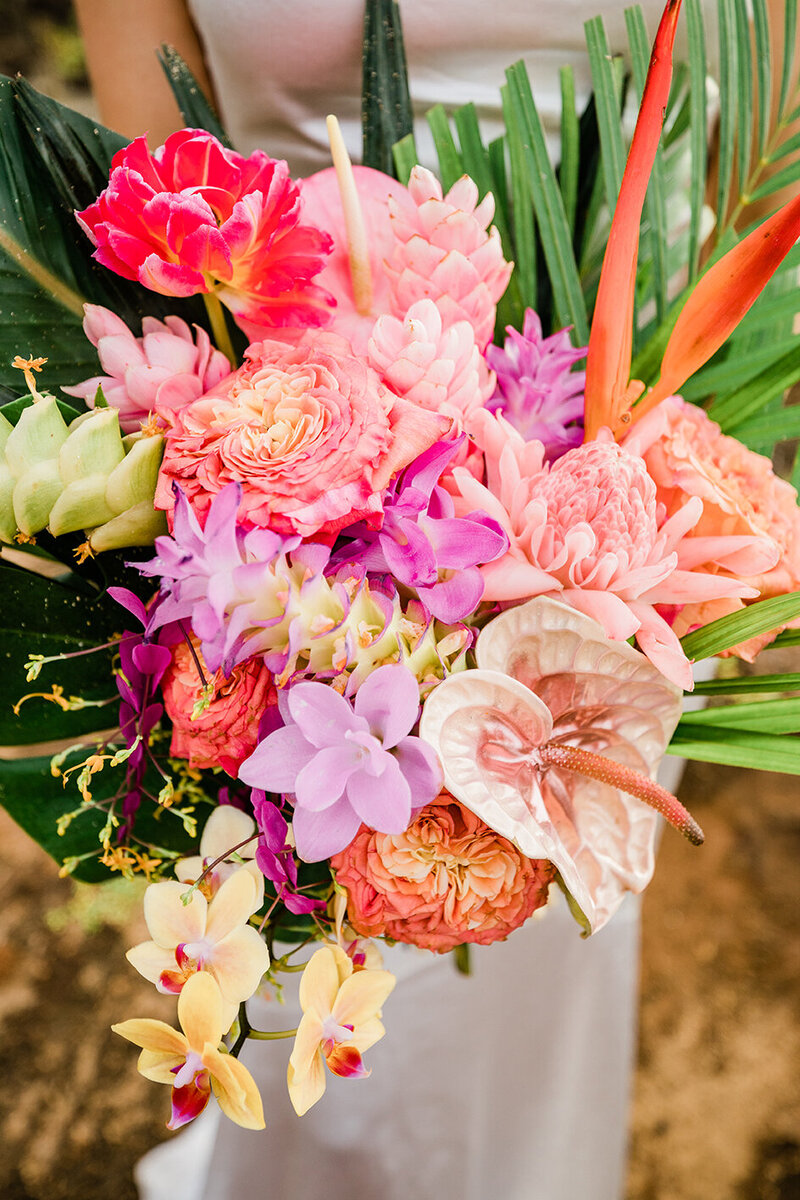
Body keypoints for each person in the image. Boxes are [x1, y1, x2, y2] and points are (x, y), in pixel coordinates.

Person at [67, 2, 742, 1196]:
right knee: (333, 1015)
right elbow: (150, 187)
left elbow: (731, 127)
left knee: (537, 973)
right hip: (279, 519)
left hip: (592, 494)